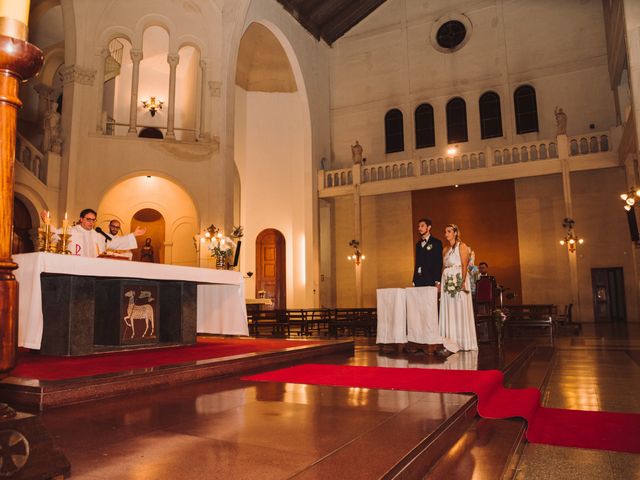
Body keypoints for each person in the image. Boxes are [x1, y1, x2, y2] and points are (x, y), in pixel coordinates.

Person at [41, 209, 145, 257]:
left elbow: (115, 242)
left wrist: (134, 234)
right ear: (81, 219)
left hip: (94, 269)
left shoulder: (98, 235)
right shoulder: (71, 231)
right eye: (88, 219)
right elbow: (55, 234)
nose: (91, 222)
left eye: (93, 220)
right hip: (75, 268)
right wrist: (47, 222)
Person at [439, 224, 478, 352]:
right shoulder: (445, 249)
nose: (446, 234)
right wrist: (441, 283)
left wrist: (462, 282)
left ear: (455, 233)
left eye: (449, 231)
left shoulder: (462, 246)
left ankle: (463, 341)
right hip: (447, 281)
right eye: (445, 231)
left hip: (459, 279)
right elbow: (444, 267)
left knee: (459, 309)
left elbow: (464, 265)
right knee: (449, 309)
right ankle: (450, 341)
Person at [412, 218, 443, 287]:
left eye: (422, 226)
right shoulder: (418, 244)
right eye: (419, 226)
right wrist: (414, 280)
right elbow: (417, 263)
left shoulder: (436, 242)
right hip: (419, 280)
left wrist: (437, 281)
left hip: (431, 279)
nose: (419, 228)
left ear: (429, 227)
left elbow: (438, 262)